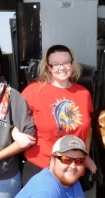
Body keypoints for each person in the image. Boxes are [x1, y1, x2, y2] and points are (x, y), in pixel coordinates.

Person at [21, 44, 97, 185]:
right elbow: (11, 118)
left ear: (72, 64)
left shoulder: (84, 94)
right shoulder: (33, 91)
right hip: (41, 169)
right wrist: (17, 135)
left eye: (66, 62)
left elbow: (88, 129)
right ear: (48, 68)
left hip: (73, 170)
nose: (62, 67)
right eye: (55, 64)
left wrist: (85, 156)